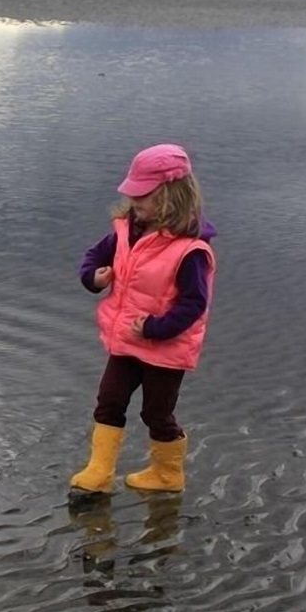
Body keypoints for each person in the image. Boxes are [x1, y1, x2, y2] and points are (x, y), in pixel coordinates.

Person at [70, 143, 217, 495]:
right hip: (125, 341)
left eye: (143, 196)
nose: (135, 202)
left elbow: (194, 303)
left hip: (165, 349)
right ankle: (100, 474)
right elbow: (93, 257)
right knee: (109, 400)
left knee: (156, 414)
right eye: (133, 194)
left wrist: (155, 328)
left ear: (171, 196)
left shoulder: (190, 250)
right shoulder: (126, 230)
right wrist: (94, 278)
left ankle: (168, 475)